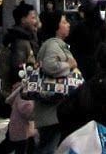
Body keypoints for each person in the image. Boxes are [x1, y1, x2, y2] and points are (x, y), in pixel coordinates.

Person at [36, 8, 80, 154]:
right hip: (51, 111)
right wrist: (70, 64)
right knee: (49, 147)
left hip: (53, 110)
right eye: (64, 22)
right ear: (56, 26)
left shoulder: (55, 44)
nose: (68, 25)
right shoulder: (53, 45)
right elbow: (51, 66)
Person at [69, 1, 106, 74]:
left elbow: (72, 44)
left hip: (81, 63)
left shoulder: (79, 26)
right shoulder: (101, 25)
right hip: (97, 63)